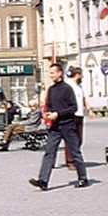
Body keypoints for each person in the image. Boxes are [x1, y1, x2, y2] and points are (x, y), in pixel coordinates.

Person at [29, 63, 90, 191]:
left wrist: (58, 114)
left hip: (68, 125)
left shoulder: (67, 89)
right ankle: (43, 180)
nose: (51, 75)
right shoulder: (51, 90)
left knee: (75, 152)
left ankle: (83, 178)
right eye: (50, 73)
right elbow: (49, 105)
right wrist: (48, 113)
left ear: (60, 73)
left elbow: (74, 107)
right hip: (55, 127)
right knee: (49, 153)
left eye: (53, 73)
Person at [65, 67, 96, 169]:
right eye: (81, 74)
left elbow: (83, 98)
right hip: (71, 115)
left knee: (79, 139)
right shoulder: (69, 85)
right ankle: (70, 161)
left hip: (80, 114)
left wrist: (89, 109)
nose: (82, 76)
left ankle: (76, 158)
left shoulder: (79, 86)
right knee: (71, 139)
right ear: (77, 74)